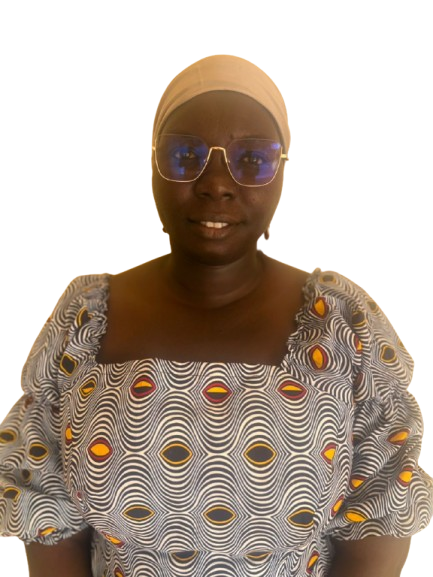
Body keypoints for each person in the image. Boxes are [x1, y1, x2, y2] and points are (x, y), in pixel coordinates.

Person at [0, 55, 432, 577]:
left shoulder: (341, 324)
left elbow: (381, 509)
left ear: (282, 172)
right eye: (185, 155)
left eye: (252, 159)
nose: (216, 183)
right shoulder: (86, 320)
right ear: (153, 165)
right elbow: (47, 508)